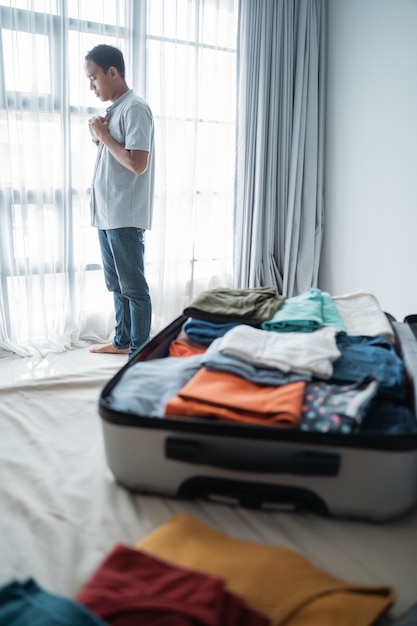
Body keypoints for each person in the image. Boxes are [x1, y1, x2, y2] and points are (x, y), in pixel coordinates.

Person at [84, 44, 154, 357]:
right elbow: (114, 159)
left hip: (124, 215)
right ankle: (122, 341)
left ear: (113, 72)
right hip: (107, 213)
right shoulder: (117, 110)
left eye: (94, 77)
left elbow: (138, 165)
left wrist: (105, 136)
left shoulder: (135, 108)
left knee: (134, 287)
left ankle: (139, 350)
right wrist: (98, 135)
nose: (92, 85)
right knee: (117, 284)